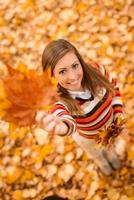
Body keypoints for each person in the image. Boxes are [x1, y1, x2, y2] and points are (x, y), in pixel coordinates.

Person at [36, 39, 127, 175]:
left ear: (80, 60)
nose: (73, 76)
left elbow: (114, 88)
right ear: (52, 76)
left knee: (110, 147)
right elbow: (63, 118)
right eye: (62, 72)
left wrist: (118, 112)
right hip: (88, 138)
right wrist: (62, 128)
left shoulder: (97, 70)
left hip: (110, 126)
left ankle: (112, 156)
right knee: (97, 153)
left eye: (74, 66)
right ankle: (103, 163)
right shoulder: (58, 100)